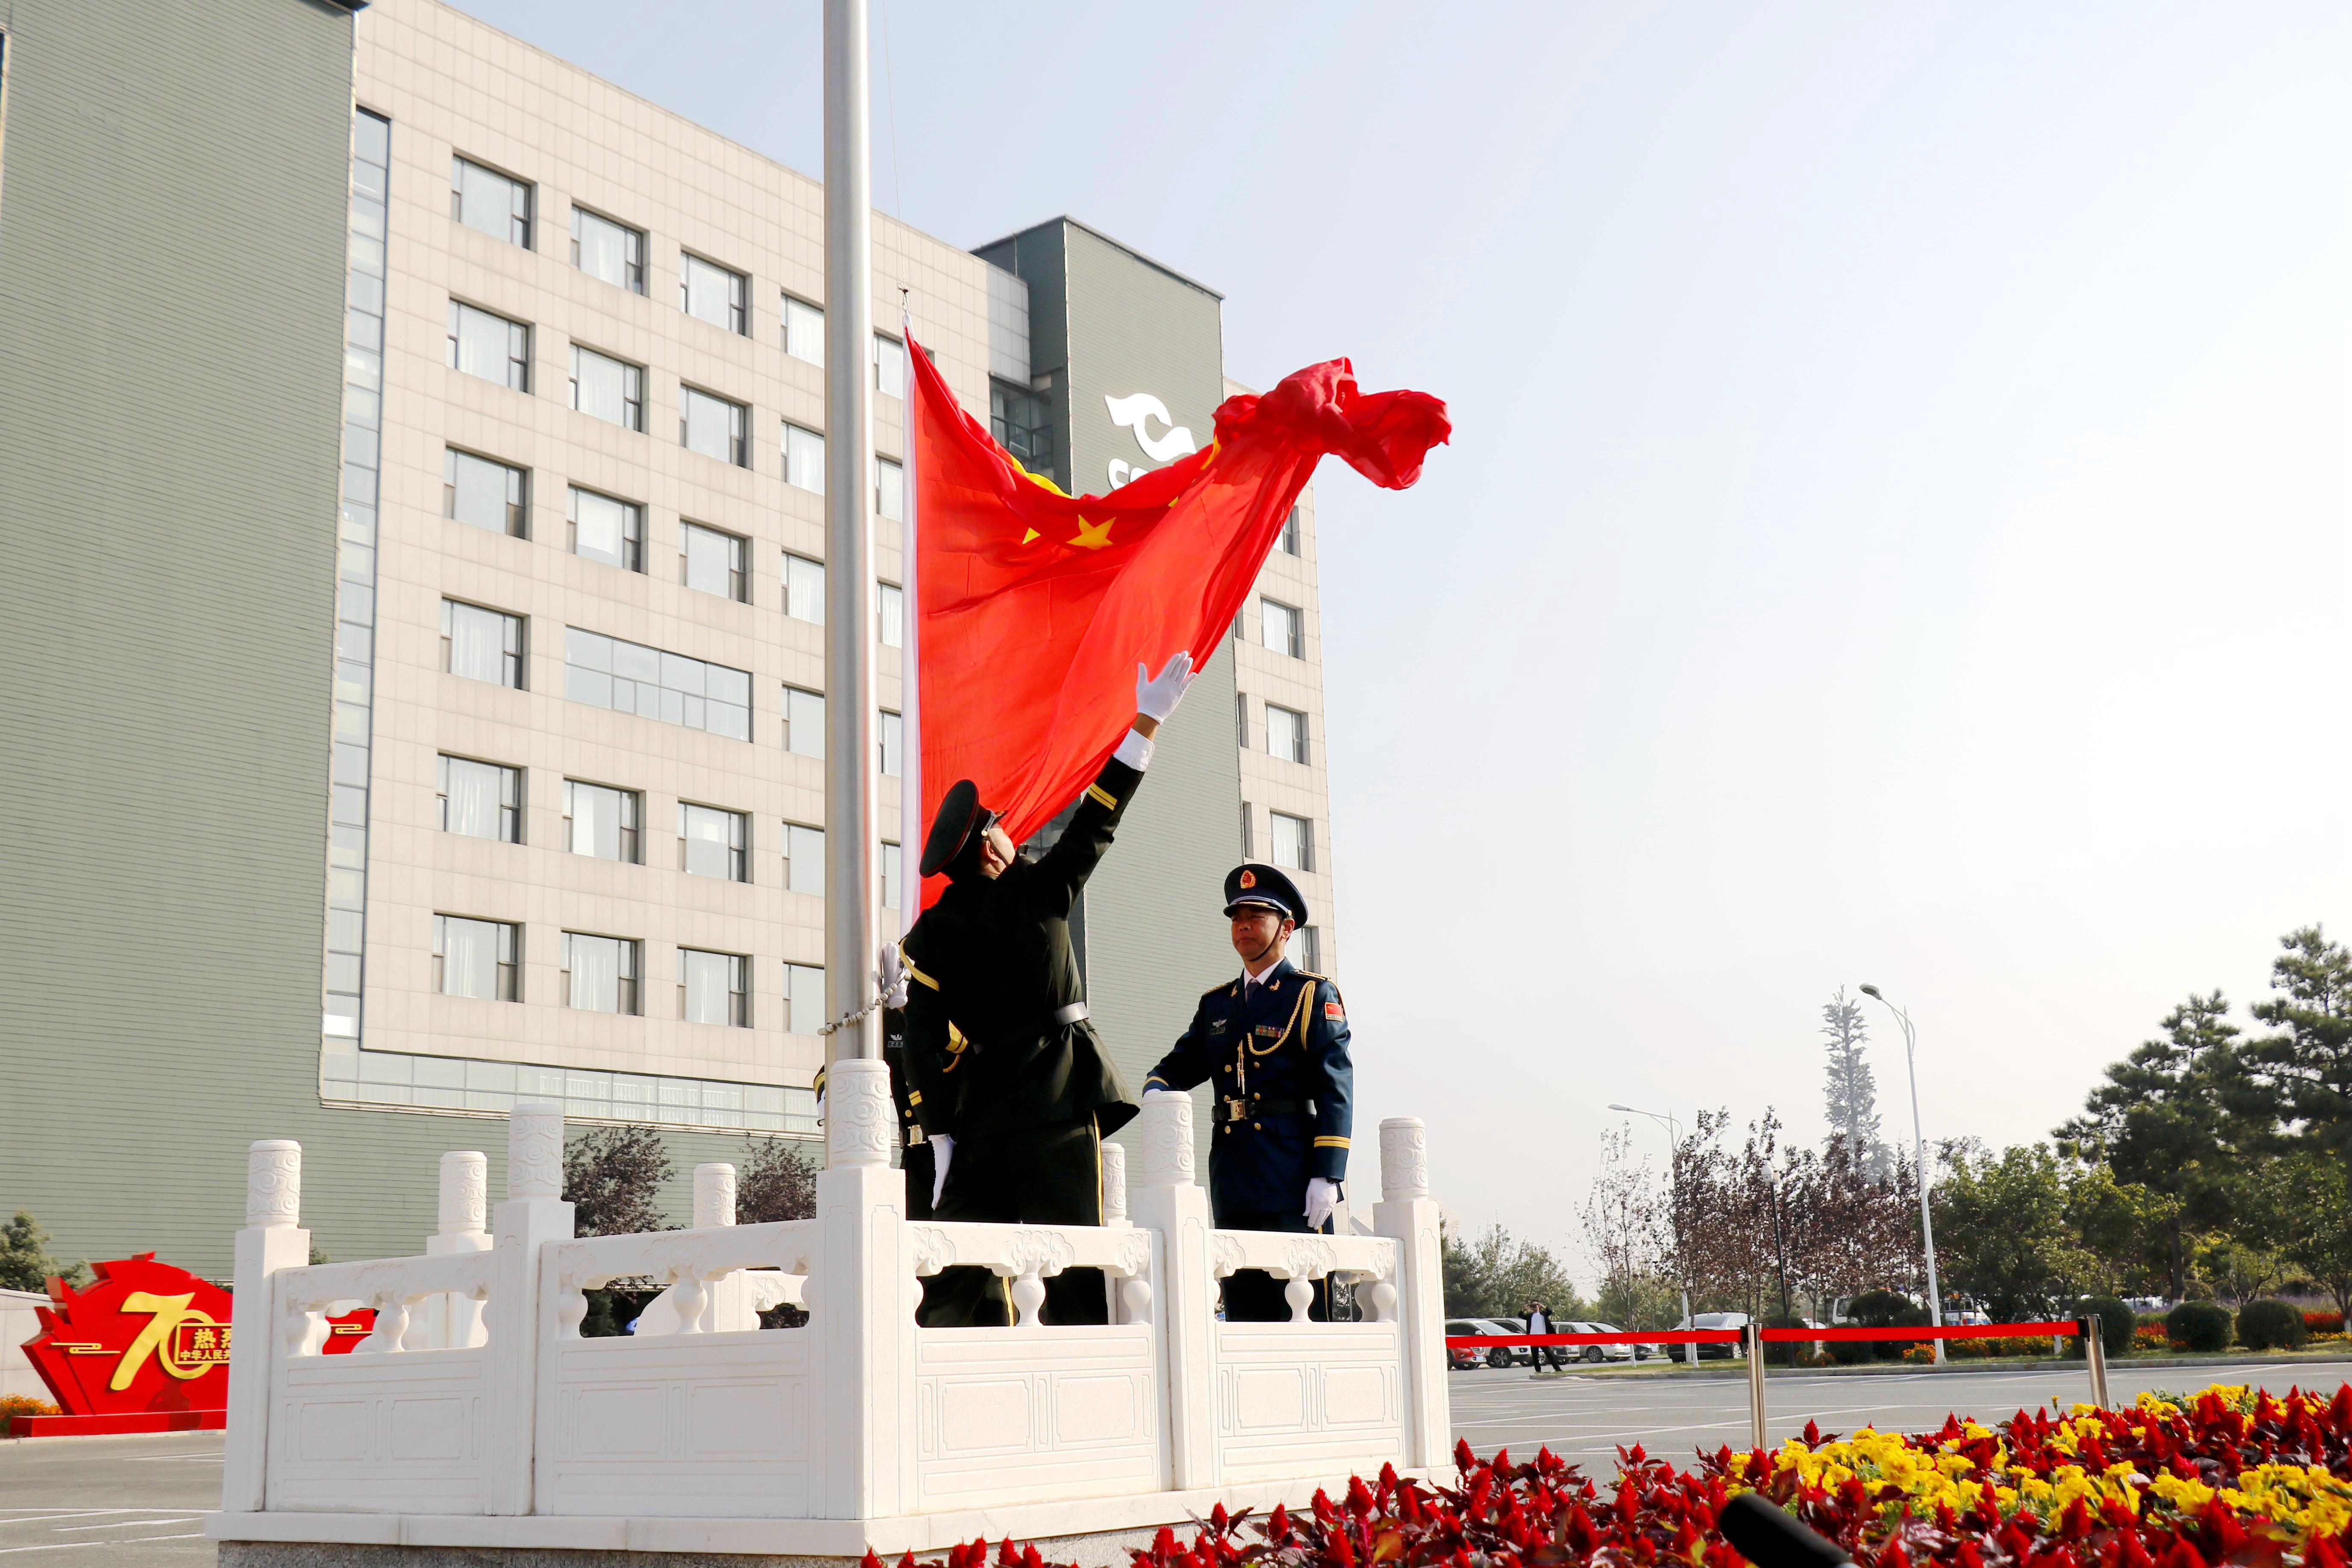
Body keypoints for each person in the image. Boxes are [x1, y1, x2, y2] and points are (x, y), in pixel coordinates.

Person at [901, 652, 1199, 1326]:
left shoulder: (931, 932)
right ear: (989, 847)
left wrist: (942, 1133)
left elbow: (920, 1040)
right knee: (1072, 1264)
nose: (1012, 832)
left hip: (980, 1115)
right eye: (1002, 827)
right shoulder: (1039, 892)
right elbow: (1100, 814)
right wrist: (1146, 721)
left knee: (959, 1263)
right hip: (1060, 1097)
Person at [1140, 861, 1353, 1322]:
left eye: (1257, 916)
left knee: (1298, 1308)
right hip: (1233, 1174)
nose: (1244, 927)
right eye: (1238, 918)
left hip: (1292, 1176)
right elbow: (1178, 1066)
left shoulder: (1312, 995)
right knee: (1244, 1307)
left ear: (1287, 927)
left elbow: (1336, 1090)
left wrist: (1328, 1174)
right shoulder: (1218, 1004)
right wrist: (1155, 1092)